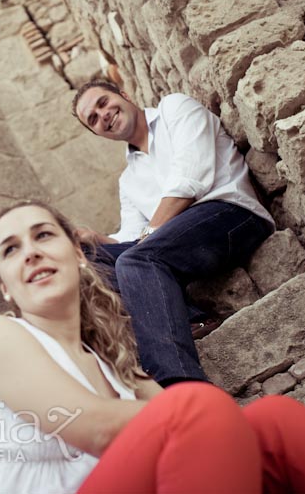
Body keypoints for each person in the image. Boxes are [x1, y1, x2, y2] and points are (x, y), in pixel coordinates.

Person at [0, 200, 305, 494]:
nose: (32, 252)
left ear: (79, 255)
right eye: (11, 249)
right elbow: (96, 429)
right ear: (3, 284)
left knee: (269, 421)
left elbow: (188, 424)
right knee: (196, 407)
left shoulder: (107, 358)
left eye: (43, 235)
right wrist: (197, 420)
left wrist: (210, 431)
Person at [71, 78, 275, 387]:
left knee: (136, 260)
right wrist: (97, 240)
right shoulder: (129, 180)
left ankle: (177, 381)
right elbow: (131, 237)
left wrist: (149, 235)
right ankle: (192, 316)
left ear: (124, 94)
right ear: (97, 133)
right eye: (93, 120)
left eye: (103, 104)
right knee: (86, 260)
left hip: (232, 216)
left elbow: (192, 178)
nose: (104, 116)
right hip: (181, 246)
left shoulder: (174, 109)